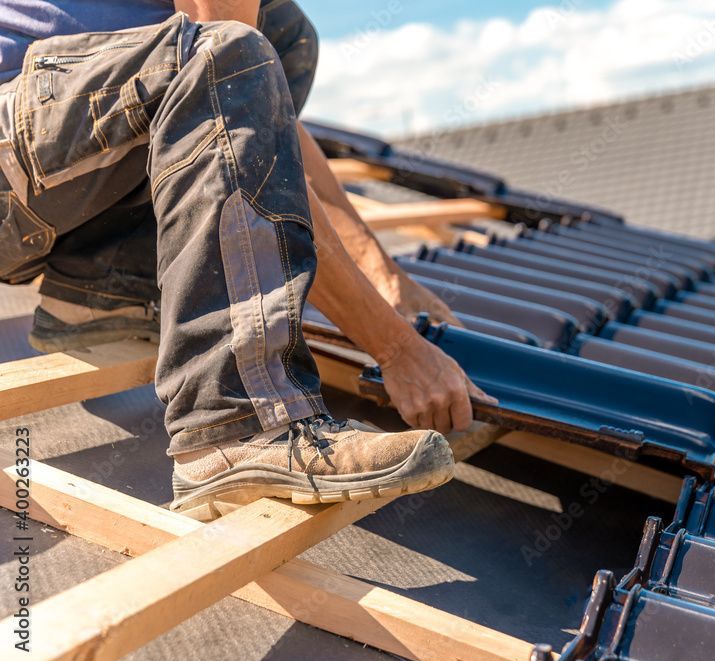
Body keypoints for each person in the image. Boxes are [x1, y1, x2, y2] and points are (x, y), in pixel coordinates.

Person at [0, 0, 493, 520]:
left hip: (43, 163)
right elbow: (228, 84)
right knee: (231, 53)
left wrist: (384, 273)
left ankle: (102, 288)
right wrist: (397, 349)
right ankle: (233, 425)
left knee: (283, 35)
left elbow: (259, 117)